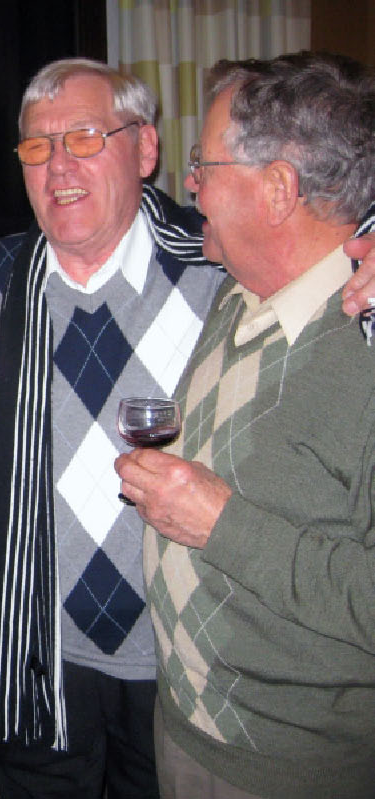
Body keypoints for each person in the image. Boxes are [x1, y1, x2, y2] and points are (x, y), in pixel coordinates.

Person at [0, 58, 375, 799]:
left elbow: (323, 237)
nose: (58, 166)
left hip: (180, 660)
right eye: (37, 147)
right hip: (36, 644)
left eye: (85, 138)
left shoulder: (219, 267)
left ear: (145, 149)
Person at [115, 52, 375, 799]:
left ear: (279, 189)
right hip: (187, 725)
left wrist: (221, 524)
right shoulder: (238, 292)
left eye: (204, 165)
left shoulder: (365, 348)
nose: (189, 184)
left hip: (294, 767)